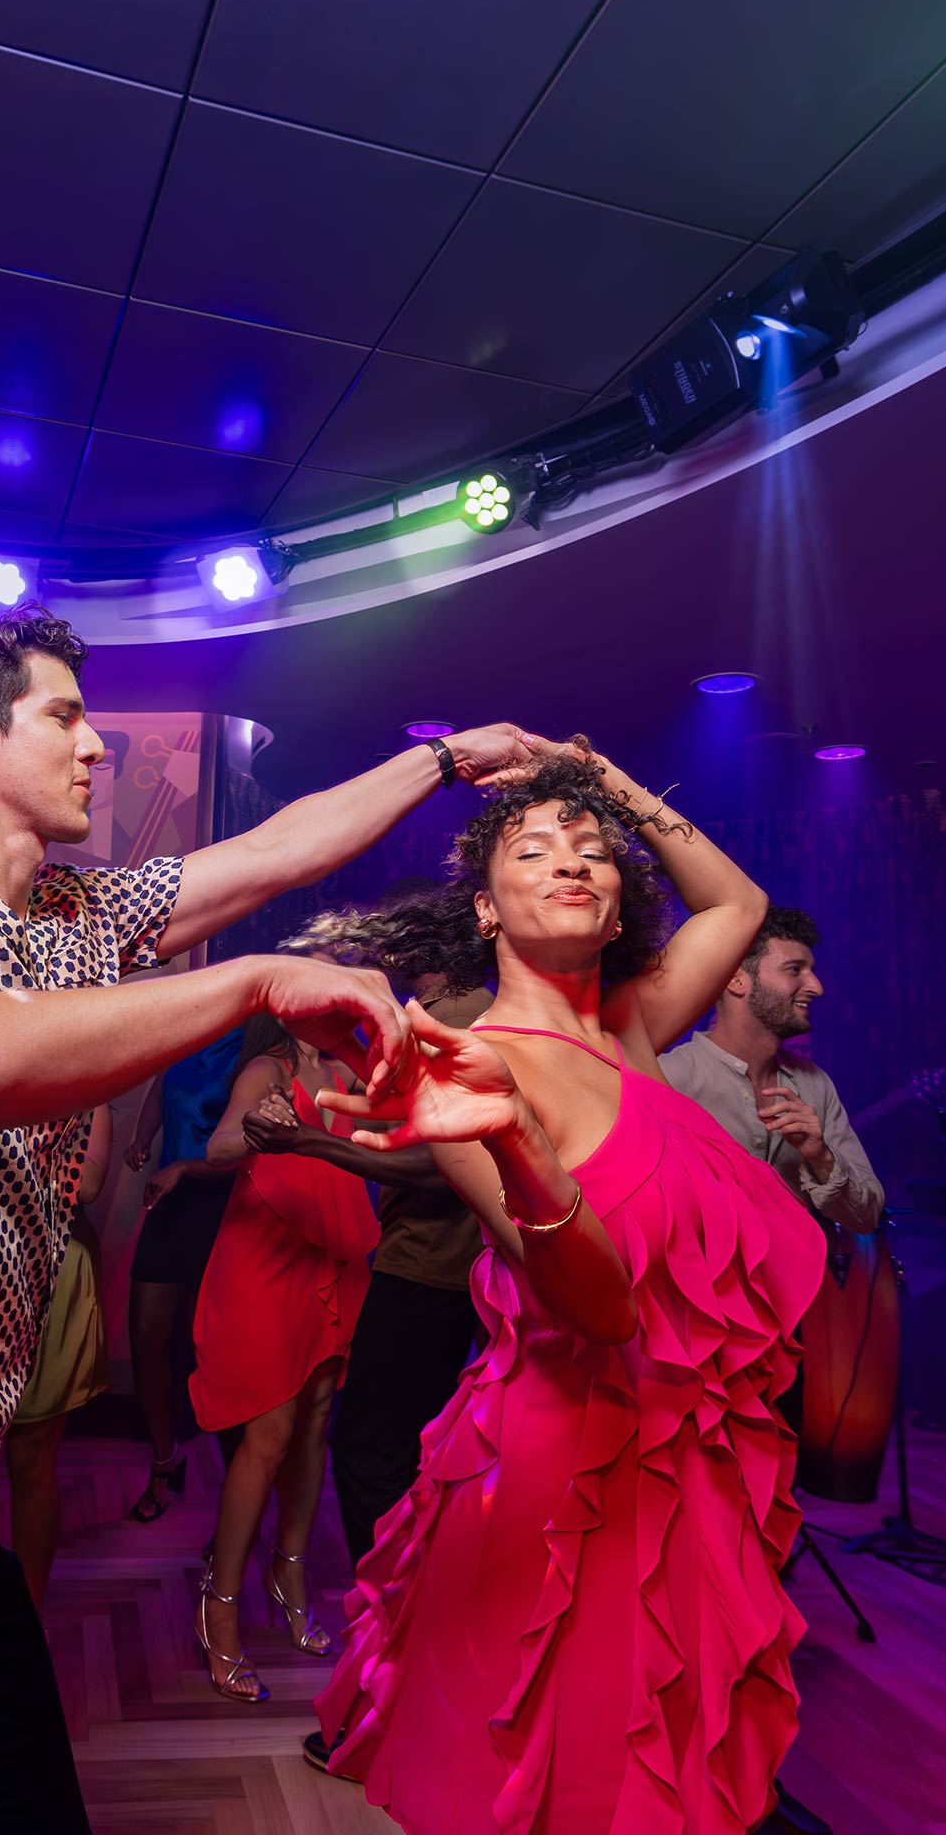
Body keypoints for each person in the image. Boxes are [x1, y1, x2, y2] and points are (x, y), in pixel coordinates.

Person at [0, 600, 539, 1833]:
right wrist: (254, 981)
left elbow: (283, 849)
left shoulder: (79, 919)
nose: (100, 746)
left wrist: (446, 758)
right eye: (66, 717)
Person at [300, 747, 824, 1833]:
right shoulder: (471, 1062)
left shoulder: (629, 1022)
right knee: (580, 1768)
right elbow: (596, 1309)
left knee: (683, 1747)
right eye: (532, 850)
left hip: (689, 1445)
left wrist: (601, 778)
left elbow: (739, 901)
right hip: (570, 1457)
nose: (573, 862)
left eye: (594, 853)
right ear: (486, 910)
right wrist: (523, 1139)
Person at [185, 1011, 378, 1703]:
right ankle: (221, 1600)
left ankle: (289, 1569)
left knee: (315, 1424)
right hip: (265, 1259)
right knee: (267, 1437)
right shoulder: (269, 1070)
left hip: (331, 1250)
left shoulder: (344, 1070)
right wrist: (255, 1128)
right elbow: (217, 1146)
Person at [305, 970, 491, 1566]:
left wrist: (311, 1143)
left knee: (368, 1446)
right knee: (417, 1444)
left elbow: (444, 1168)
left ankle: (389, 1601)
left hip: (428, 1267)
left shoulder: (453, 1014)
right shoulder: (471, 1011)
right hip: (458, 1270)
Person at [659, 906, 885, 1235]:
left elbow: (866, 1216)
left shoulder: (815, 1083)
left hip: (799, 1284)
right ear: (735, 978)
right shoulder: (669, 1077)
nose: (817, 987)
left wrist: (820, 1157)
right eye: (795, 970)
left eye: (812, 970)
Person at [120, 1029, 245, 1523]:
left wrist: (190, 1167)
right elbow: (160, 1089)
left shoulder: (255, 1050)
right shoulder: (190, 1037)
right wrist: (140, 1138)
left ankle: (237, 1486)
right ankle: (164, 1458)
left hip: (225, 1209)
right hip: (172, 1203)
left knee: (211, 1348)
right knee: (147, 1339)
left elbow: (250, 1149)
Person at [2, 1103, 112, 1608]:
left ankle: (27, 1610)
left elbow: (87, 1185)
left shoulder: (89, 1090)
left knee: (31, 1458)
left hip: (52, 1270)